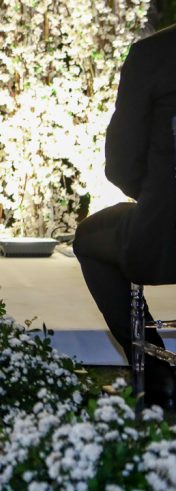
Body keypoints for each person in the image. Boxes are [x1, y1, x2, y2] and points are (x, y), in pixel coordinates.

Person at [74, 23, 176, 408]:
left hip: (165, 235)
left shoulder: (155, 53)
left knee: (89, 237)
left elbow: (121, 162)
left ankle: (157, 376)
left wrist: (154, 198)